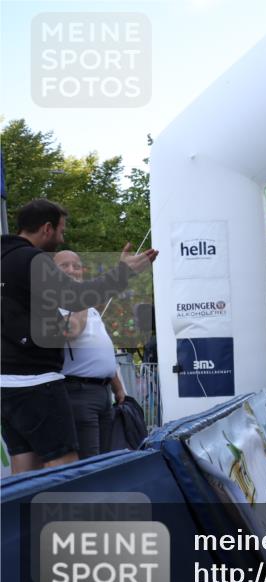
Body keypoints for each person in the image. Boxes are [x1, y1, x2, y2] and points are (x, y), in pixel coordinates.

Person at [1, 199, 158, 474]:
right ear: (47, 228)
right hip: (37, 382)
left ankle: (19, 517)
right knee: (65, 465)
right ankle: (66, 518)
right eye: (61, 231)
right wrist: (124, 272)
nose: (63, 238)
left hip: (6, 384)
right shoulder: (33, 260)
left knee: (25, 465)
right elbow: (77, 298)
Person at [53, 250, 129, 459]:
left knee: (103, 458)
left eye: (76, 266)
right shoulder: (53, 306)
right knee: (89, 460)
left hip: (103, 393)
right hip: (78, 392)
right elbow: (72, 333)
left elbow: (101, 349)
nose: (72, 270)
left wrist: (118, 388)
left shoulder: (91, 309)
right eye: (65, 266)